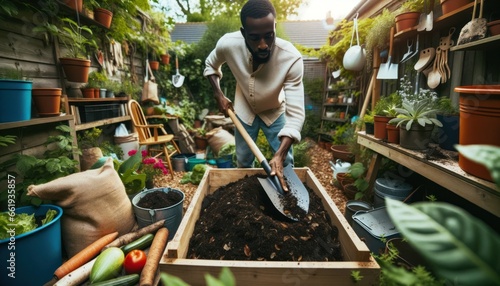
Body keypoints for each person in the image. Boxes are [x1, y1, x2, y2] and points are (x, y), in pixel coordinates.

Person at [204, 0, 305, 192]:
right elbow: (210, 65)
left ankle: (289, 195)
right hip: (243, 111)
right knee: (242, 161)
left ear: (275, 27)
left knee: (286, 162)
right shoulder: (228, 44)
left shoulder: (291, 58)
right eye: (254, 38)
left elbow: (296, 116)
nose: (263, 45)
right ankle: (246, 197)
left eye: (269, 36)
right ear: (243, 34)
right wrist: (219, 95)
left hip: (275, 111)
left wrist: (279, 154)